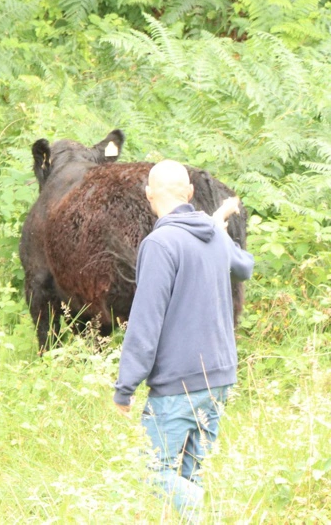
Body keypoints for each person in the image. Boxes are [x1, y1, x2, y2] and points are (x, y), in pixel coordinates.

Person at [113, 160, 255, 520]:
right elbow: (245, 268)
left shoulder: (160, 243)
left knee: (154, 471)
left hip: (179, 384)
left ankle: (212, 514)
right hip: (219, 379)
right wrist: (219, 226)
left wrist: (125, 387)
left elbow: (146, 320)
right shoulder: (213, 235)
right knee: (192, 474)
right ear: (190, 194)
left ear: (149, 195)